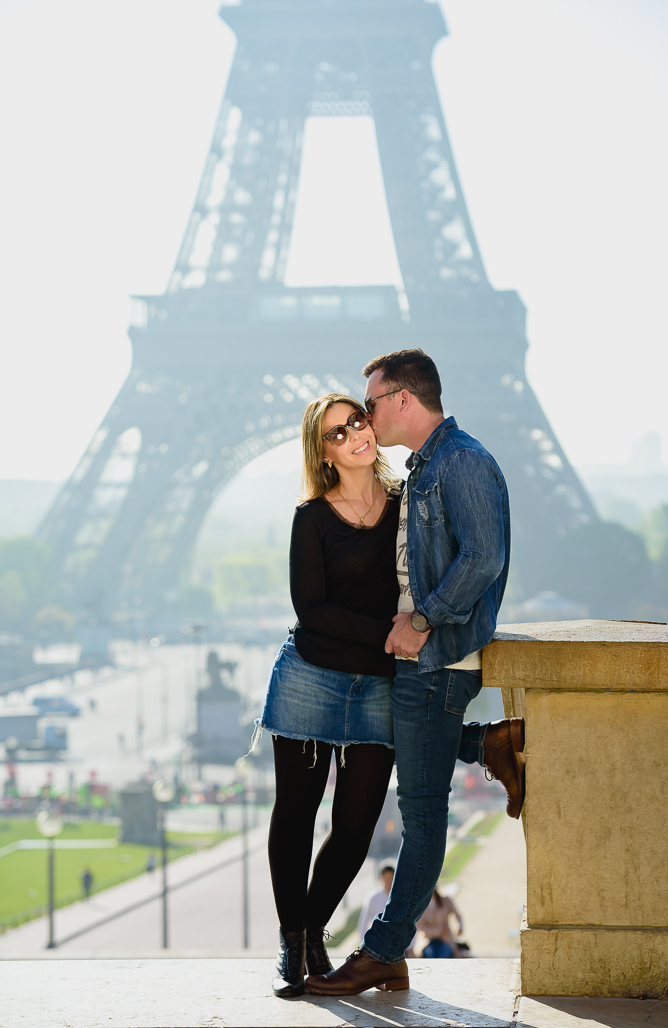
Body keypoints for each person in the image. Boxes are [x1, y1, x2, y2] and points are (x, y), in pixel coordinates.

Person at [306, 349, 525, 996]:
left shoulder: (461, 462)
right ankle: (486, 743)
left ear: (404, 398)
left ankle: (384, 950)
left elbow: (482, 558)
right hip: (420, 656)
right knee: (402, 743)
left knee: (422, 814)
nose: (365, 417)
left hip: (438, 657)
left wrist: (424, 620)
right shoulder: (426, 466)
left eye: (371, 404)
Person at [256, 393, 402, 998]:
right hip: (311, 678)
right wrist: (390, 635)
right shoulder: (311, 518)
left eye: (358, 421)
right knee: (295, 814)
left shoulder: (406, 506)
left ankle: (312, 926)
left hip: (378, 687)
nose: (354, 435)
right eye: (337, 432)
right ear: (323, 453)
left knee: (356, 826)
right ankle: (294, 941)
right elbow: (311, 610)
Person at [412, 887, 464, 958]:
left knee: (444, 954)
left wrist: (460, 927)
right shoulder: (420, 904)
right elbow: (420, 927)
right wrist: (438, 930)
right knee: (429, 955)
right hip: (427, 940)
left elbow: (458, 915)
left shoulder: (445, 901)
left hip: (445, 939)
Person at [357, 863, 395, 941]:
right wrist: (362, 943)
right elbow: (363, 923)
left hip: (396, 941)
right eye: (387, 878)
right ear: (381, 878)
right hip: (378, 940)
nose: (389, 881)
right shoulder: (373, 897)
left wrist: (411, 945)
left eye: (391, 878)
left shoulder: (400, 897)